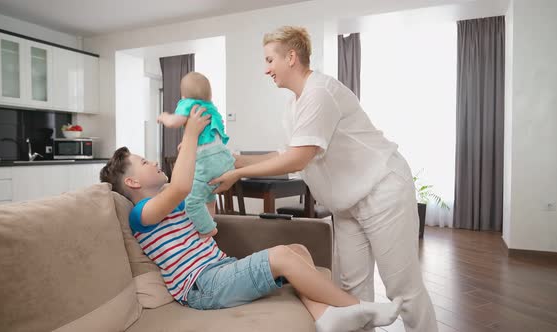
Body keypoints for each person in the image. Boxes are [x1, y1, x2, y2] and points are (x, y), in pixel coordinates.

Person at [209, 26, 438, 332]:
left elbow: (297, 158)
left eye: (269, 60)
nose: (266, 69)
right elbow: (286, 153)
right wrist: (231, 159)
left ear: (291, 57)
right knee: (352, 290)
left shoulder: (319, 93)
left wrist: (237, 172)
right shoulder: (294, 106)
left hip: (382, 191)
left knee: (403, 291)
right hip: (346, 205)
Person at [99, 106, 403, 332]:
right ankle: (357, 307)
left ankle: (325, 316)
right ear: (133, 184)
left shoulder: (174, 204)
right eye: (143, 162)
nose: (151, 161)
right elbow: (179, 186)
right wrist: (189, 136)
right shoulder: (142, 214)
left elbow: (205, 213)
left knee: (298, 250)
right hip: (201, 286)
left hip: (219, 270)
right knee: (283, 255)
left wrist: (206, 160)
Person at [156, 72, 233, 238]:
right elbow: (209, 134)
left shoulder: (187, 103)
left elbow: (174, 122)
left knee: (192, 201)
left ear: (183, 95)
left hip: (206, 161)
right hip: (224, 159)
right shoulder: (210, 106)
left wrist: (164, 117)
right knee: (209, 196)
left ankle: (207, 229)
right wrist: (188, 143)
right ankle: (210, 221)